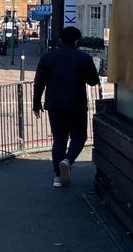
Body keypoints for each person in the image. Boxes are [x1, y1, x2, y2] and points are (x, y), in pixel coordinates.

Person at [32, 25, 99, 187]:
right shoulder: (84, 58)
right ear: (77, 41)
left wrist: (36, 103)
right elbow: (93, 81)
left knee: (59, 139)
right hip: (76, 104)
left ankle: (57, 177)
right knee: (79, 137)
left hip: (54, 104)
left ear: (61, 40)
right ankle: (68, 161)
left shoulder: (47, 57)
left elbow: (39, 82)